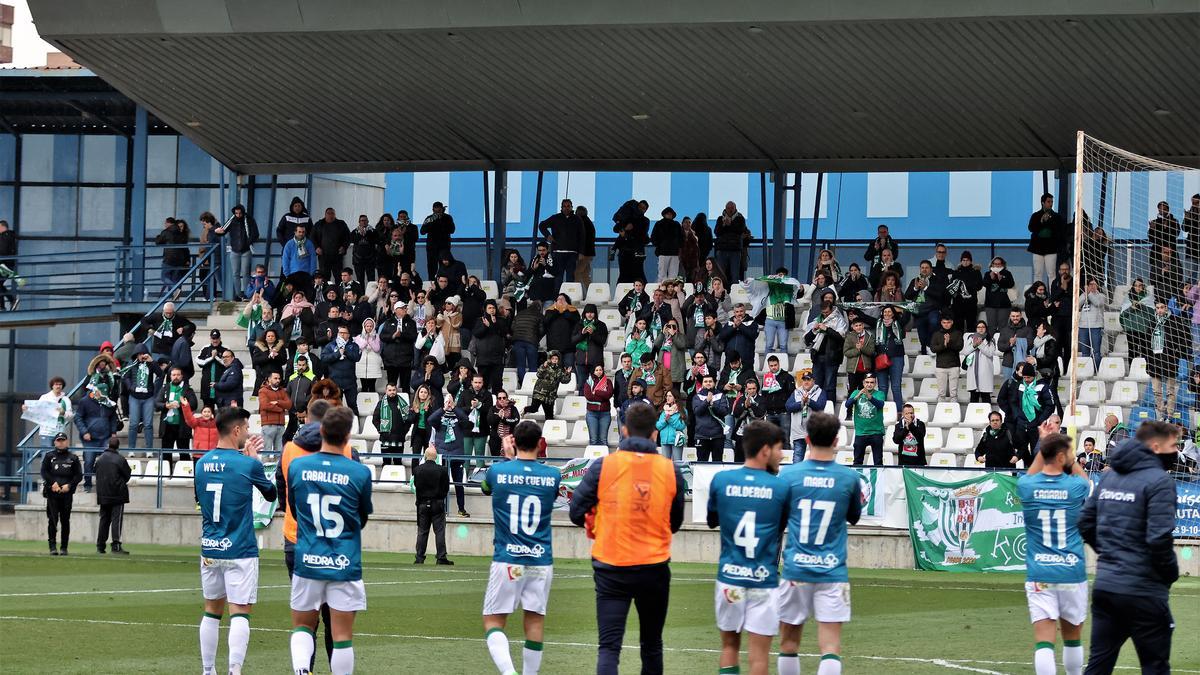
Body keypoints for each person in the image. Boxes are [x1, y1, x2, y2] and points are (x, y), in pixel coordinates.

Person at [569, 402, 686, 675]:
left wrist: (601, 519)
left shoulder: (604, 466)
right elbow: (676, 522)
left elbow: (576, 512)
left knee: (609, 647)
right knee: (652, 644)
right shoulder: (670, 470)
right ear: (655, 434)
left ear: (623, 431)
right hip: (653, 567)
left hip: (611, 566)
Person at [1079, 420, 1181, 675]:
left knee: (1098, 666)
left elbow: (1085, 522)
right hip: (1144, 590)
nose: (1177, 451)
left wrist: (1110, 555)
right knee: (1155, 667)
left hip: (1106, 586)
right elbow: (1159, 539)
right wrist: (1170, 574)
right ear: (1156, 447)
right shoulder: (1160, 481)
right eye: (1174, 445)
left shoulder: (1110, 476)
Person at [287, 406, 373, 675]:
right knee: (342, 636)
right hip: (343, 561)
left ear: (321, 430)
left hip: (308, 558)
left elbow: (295, 507)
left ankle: (302, 671)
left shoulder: (298, 466)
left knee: (303, 626)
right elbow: (361, 518)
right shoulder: (360, 473)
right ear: (348, 436)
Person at [776, 411, 862, 675]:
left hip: (795, 568)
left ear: (808, 438)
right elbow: (854, 517)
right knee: (831, 646)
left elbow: (778, 523)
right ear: (837, 440)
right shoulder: (849, 478)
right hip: (832, 571)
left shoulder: (789, 476)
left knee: (788, 643)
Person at [193, 407, 276, 675]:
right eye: (247, 428)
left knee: (211, 611)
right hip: (240, 548)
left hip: (210, 547)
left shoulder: (201, 463)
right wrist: (256, 460)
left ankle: (207, 670)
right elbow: (272, 494)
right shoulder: (247, 464)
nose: (249, 433)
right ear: (237, 430)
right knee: (239, 612)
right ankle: (234, 671)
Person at [706, 420, 790, 675]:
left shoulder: (721, 480)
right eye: (778, 448)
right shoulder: (781, 488)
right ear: (765, 450)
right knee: (759, 656)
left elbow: (712, 521)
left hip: (730, 577)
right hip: (763, 580)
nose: (781, 454)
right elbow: (779, 527)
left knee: (729, 647)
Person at [479, 421, 560, 675]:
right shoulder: (553, 475)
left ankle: (509, 673)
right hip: (539, 561)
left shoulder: (497, 472)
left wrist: (508, 458)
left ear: (513, 442)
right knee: (534, 620)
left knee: (493, 621)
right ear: (540, 444)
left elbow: (485, 488)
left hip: (508, 559)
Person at [1019, 427, 1091, 675]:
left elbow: (1031, 474)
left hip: (1041, 572)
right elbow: (1086, 481)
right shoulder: (1074, 488)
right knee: (1072, 637)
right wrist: (1070, 460)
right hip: (1071, 571)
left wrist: (1044, 442)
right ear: (1061, 456)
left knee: (1044, 641)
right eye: (1068, 452)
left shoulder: (1027, 485)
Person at [408, 444, 453, 566]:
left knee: (422, 531)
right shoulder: (442, 470)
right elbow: (446, 488)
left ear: (425, 456)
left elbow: (416, 486)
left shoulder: (417, 469)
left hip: (422, 504)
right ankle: (441, 557)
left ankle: (419, 557)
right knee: (439, 531)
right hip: (437, 503)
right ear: (436, 457)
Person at [429, 396, 472, 518]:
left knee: (458, 484)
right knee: (441, 483)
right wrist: (443, 409)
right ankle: (440, 509)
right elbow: (430, 420)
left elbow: (466, 419)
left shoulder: (459, 416)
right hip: (442, 454)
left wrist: (454, 408)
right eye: (447, 401)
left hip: (457, 454)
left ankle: (461, 509)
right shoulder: (439, 416)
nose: (448, 403)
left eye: (450, 401)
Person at [40, 432, 81, 555]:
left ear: (67, 442)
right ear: (55, 442)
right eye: (58, 440)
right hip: (52, 494)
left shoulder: (73, 458)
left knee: (65, 520)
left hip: (66, 495)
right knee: (52, 520)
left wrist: (69, 485)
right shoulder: (49, 456)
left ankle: (64, 547)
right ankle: (52, 547)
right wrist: (53, 483)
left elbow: (78, 475)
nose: (61, 442)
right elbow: (44, 472)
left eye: (63, 440)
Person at [94, 436, 131, 555]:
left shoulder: (100, 459)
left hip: (103, 493)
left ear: (108, 445)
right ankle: (116, 545)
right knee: (116, 520)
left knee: (104, 519)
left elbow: (96, 472)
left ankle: (100, 545)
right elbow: (127, 475)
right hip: (117, 494)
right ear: (118, 446)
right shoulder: (120, 459)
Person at [213, 204, 259, 297]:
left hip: (246, 250)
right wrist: (217, 232)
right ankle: (238, 295)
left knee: (245, 273)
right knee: (235, 273)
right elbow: (223, 230)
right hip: (234, 251)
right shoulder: (231, 220)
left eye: (240, 213)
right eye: (236, 213)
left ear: (243, 212)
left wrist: (248, 242)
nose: (238, 215)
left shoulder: (249, 219)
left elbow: (255, 233)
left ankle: (247, 294)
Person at [120, 346, 160, 450]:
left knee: (148, 425)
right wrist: (131, 387)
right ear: (136, 355)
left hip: (148, 397)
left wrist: (153, 362)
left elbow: (160, 374)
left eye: (144, 353)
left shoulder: (151, 364)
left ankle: (149, 450)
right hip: (134, 397)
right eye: (140, 354)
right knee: (133, 424)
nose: (142, 356)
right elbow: (125, 376)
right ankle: (131, 450)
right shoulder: (132, 364)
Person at [321, 325, 362, 414]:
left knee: (352, 405)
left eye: (345, 333)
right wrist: (337, 354)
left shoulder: (354, 345)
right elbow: (324, 358)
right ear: (337, 334)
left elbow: (357, 357)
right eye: (340, 333)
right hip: (335, 382)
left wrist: (345, 351)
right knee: (335, 406)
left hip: (350, 382)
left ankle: (355, 425)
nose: (342, 335)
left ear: (349, 335)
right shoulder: (330, 345)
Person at [848, 373, 885, 466]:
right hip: (861, 432)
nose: (869, 384)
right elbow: (847, 404)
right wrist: (858, 395)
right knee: (857, 461)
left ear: (875, 383)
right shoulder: (856, 393)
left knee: (878, 462)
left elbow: (880, 405)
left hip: (876, 432)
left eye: (872, 382)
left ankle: (878, 480)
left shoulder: (880, 393)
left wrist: (869, 396)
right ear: (863, 383)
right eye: (867, 382)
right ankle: (858, 480)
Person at [1028, 193, 1066, 286]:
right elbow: (1031, 228)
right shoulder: (1036, 215)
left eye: (1052, 202)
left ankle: (1052, 295)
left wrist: (1050, 220)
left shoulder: (1056, 217)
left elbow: (1060, 231)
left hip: (1051, 249)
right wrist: (1041, 221)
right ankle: (1037, 295)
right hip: (1037, 248)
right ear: (1043, 203)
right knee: (1037, 273)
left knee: (1051, 274)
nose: (1051, 204)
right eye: (1048, 202)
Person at [523, 350, 572, 419]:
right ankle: (524, 410)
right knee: (534, 408)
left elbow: (564, 381)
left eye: (556, 359)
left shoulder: (560, 370)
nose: (554, 360)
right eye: (553, 358)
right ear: (550, 359)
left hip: (550, 396)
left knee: (549, 416)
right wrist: (543, 367)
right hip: (539, 393)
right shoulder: (545, 366)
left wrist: (568, 373)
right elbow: (538, 374)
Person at [962, 321, 999, 404]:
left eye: (983, 327)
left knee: (985, 397)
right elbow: (965, 352)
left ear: (986, 328)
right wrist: (974, 345)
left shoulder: (990, 339)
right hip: (972, 370)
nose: (981, 329)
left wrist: (980, 344)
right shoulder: (971, 338)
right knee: (973, 397)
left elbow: (990, 353)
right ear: (976, 329)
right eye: (979, 327)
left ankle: (988, 416)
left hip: (985, 372)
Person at [714, 202, 748, 283]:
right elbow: (717, 232)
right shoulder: (720, 219)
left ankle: (735, 292)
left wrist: (730, 224)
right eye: (728, 208)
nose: (730, 210)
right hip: (722, 249)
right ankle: (720, 292)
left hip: (735, 250)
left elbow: (740, 231)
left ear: (735, 209)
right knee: (720, 273)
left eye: (732, 208)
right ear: (725, 208)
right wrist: (723, 225)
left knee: (735, 274)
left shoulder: (740, 219)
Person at [421, 202, 456, 280]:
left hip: (444, 246)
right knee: (431, 265)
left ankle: (445, 280)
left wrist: (441, 220)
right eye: (436, 209)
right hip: (431, 247)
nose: (437, 210)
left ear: (442, 209)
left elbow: (452, 230)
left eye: (439, 208)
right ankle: (431, 280)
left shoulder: (447, 218)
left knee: (445, 264)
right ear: (433, 209)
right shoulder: (429, 218)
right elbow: (422, 231)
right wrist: (433, 221)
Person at [931, 315, 963, 402]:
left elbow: (960, 347)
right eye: (944, 322)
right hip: (941, 366)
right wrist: (944, 344)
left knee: (954, 394)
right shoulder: (936, 334)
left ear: (952, 322)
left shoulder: (958, 333)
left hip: (954, 366)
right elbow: (933, 349)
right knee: (941, 394)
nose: (946, 324)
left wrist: (949, 343)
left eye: (948, 322)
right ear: (941, 323)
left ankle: (954, 413)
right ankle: (940, 412)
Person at [155, 217, 191, 295]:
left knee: (164, 277)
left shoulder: (166, 232)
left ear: (168, 223)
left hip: (169, 259)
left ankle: (175, 289)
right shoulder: (181, 233)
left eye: (165, 223)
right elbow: (185, 247)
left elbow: (158, 242)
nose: (165, 225)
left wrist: (158, 236)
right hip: (180, 260)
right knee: (175, 278)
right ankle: (173, 297)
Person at [582, 364, 614, 447]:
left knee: (603, 440)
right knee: (593, 440)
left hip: (605, 413)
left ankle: (604, 460)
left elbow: (609, 394)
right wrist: (603, 397)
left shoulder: (608, 381)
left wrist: (596, 392)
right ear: (593, 371)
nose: (599, 372)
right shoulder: (588, 382)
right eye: (597, 370)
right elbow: (589, 396)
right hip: (592, 414)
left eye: (600, 370)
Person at [650, 206, 682, 281]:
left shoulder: (677, 224)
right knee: (662, 274)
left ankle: (672, 290)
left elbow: (681, 237)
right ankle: (661, 290)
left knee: (673, 275)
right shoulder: (659, 224)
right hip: (663, 252)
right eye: (667, 214)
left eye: (671, 214)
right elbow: (653, 237)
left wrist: (679, 246)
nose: (669, 215)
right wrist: (660, 245)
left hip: (674, 253)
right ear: (664, 214)